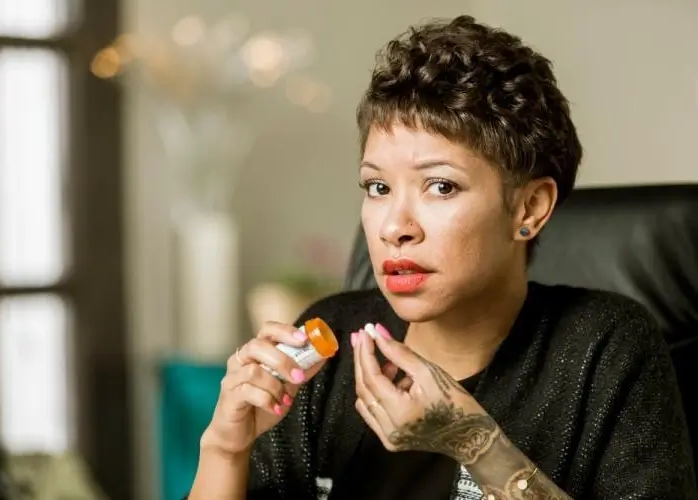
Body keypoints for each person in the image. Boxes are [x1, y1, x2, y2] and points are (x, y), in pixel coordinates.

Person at [188, 15, 697, 500]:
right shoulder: (330, 337)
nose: (394, 227)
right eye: (378, 186)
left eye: (440, 186)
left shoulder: (606, 348)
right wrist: (226, 448)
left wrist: (475, 443)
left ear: (529, 207)